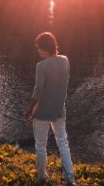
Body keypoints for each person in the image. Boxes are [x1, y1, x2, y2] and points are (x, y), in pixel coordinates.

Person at [24, 32, 75, 185]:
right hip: (59, 110)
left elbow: (38, 91)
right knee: (63, 143)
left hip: (42, 113)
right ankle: (70, 180)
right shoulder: (65, 60)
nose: (38, 51)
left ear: (45, 48)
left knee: (40, 145)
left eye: (39, 48)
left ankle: (42, 177)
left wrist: (29, 110)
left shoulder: (41, 66)